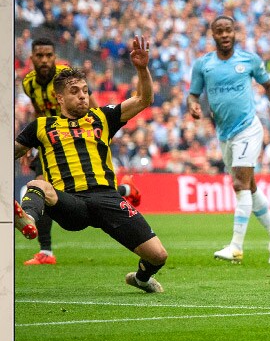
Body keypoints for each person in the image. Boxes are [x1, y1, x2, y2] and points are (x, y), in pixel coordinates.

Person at [13, 37, 168, 293]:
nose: (83, 96)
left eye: (85, 91)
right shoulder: (41, 126)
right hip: (71, 202)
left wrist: (142, 69)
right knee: (39, 184)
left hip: (107, 197)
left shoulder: (102, 117)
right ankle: (27, 219)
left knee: (158, 255)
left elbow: (143, 100)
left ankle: (141, 279)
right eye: (75, 92)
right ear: (59, 97)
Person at [187, 15, 270, 264]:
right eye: (219, 31)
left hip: (248, 128)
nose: (224, 35)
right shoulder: (203, 65)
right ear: (213, 35)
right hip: (224, 133)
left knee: (240, 184)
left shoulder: (249, 60)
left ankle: (236, 247)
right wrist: (193, 106)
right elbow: (192, 95)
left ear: (235, 33)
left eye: (228, 30)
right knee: (250, 186)